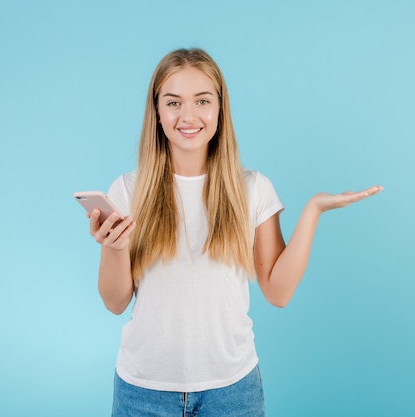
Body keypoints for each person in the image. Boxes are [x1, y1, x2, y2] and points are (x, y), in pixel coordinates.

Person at [86, 48, 382, 417]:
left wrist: (313, 211)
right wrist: (115, 248)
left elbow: (278, 291)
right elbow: (115, 303)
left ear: (220, 109)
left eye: (202, 101)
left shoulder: (253, 189)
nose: (188, 115)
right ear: (157, 112)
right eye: (173, 102)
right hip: (143, 391)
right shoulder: (128, 191)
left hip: (232, 392)